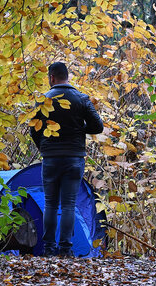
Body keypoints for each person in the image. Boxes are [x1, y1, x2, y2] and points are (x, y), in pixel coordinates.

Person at [30, 62, 103, 257]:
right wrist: (79, 129)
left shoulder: (44, 100)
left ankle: (48, 248)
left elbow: (33, 129)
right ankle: (66, 248)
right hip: (74, 158)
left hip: (51, 158)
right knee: (69, 204)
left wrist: (44, 147)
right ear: (66, 76)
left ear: (52, 77)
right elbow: (98, 127)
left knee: (50, 204)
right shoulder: (81, 99)